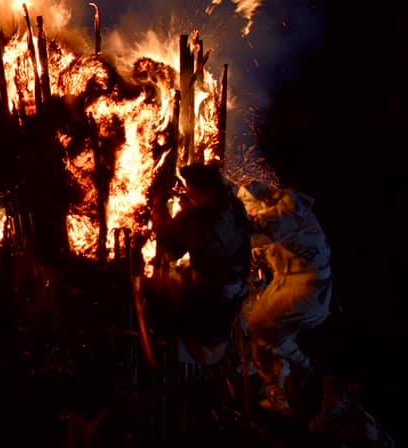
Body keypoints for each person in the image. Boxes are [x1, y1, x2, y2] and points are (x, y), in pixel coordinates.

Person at [238, 181, 332, 414]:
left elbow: (253, 228)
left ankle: (304, 365)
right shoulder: (279, 206)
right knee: (260, 334)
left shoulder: (288, 211)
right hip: (291, 280)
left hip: (307, 287)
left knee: (260, 323)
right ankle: (276, 390)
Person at [141, 164, 252, 361]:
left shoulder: (197, 219)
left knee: (153, 287)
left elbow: (170, 249)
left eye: (190, 191)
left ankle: (167, 343)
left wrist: (159, 209)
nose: (188, 195)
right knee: (185, 271)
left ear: (200, 190)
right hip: (235, 295)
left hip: (208, 306)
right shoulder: (235, 205)